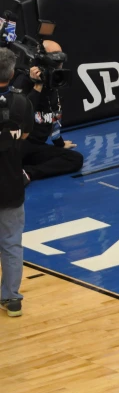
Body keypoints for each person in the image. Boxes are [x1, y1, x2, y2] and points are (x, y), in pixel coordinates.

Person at [13, 40, 84, 184]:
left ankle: (27, 174)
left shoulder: (55, 80)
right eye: (55, 60)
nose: (60, 65)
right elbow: (21, 114)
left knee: (75, 159)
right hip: (18, 144)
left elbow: (54, 114)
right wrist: (37, 86)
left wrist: (59, 143)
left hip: (37, 147)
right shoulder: (23, 80)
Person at [0, 48, 35, 317]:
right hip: (10, 183)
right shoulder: (22, 103)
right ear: (12, 73)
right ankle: (12, 299)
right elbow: (23, 137)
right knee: (12, 243)